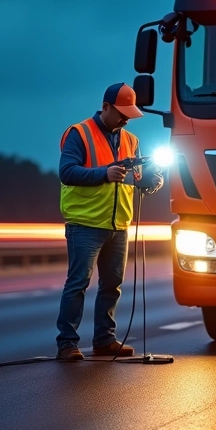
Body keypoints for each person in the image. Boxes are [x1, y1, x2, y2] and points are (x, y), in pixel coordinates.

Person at [55, 82, 163, 361]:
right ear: (105, 108)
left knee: (112, 284)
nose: (126, 119)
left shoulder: (131, 140)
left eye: (130, 114)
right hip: (85, 223)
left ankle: (104, 339)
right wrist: (104, 174)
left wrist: (150, 180)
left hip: (118, 223)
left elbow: (133, 178)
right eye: (121, 113)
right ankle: (67, 343)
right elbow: (67, 172)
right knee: (78, 282)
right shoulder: (79, 133)